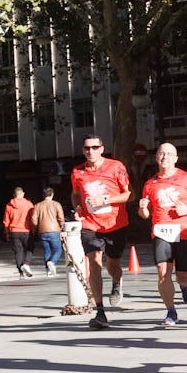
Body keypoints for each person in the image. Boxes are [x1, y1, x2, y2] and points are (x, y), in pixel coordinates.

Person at [140, 142, 187, 328]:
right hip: (161, 231)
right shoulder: (150, 183)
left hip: (184, 231)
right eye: (161, 153)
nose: (165, 157)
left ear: (176, 158)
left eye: (169, 154)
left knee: (183, 275)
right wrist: (143, 209)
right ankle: (171, 311)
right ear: (156, 157)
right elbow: (146, 214)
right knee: (163, 272)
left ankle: (184, 285)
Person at [70, 134, 132, 330]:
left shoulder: (116, 166)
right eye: (87, 148)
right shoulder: (77, 172)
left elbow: (130, 195)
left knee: (113, 264)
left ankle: (117, 281)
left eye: (95, 147)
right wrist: (77, 208)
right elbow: (75, 194)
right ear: (83, 150)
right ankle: (99, 311)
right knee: (94, 263)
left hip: (115, 224)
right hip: (90, 225)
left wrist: (105, 200)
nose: (91, 151)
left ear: (102, 149)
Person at [31, 187, 66, 275]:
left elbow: (34, 220)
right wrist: (62, 227)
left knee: (47, 251)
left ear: (43, 195)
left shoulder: (37, 206)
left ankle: (48, 271)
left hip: (42, 231)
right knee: (58, 250)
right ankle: (52, 262)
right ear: (52, 194)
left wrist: (35, 230)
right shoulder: (56, 204)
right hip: (54, 230)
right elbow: (61, 218)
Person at [3, 186, 36, 278]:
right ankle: (26, 264)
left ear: (14, 195)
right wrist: (34, 229)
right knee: (30, 248)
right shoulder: (29, 204)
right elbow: (32, 218)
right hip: (26, 230)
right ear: (23, 194)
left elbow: (6, 221)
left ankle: (21, 273)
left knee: (18, 252)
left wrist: (7, 232)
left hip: (14, 231)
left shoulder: (9, 205)